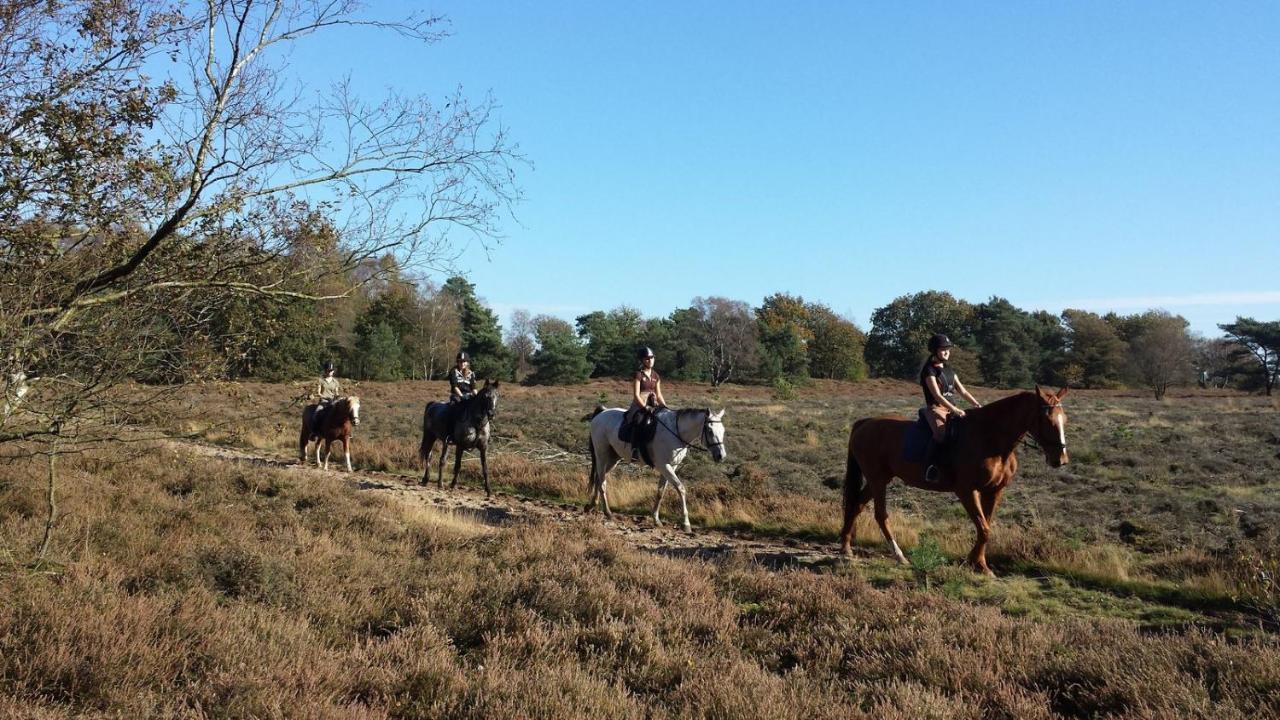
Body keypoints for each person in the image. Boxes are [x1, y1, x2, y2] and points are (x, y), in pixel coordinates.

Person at [920, 333, 981, 484]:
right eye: (943, 349)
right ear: (934, 351)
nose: (947, 352)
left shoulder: (949, 370)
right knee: (940, 435)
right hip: (936, 409)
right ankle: (930, 468)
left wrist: (976, 404)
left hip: (951, 409)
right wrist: (955, 409)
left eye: (948, 349)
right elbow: (938, 396)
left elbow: (963, 391)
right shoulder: (929, 370)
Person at [621, 346, 667, 462]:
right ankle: (635, 450)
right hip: (639, 405)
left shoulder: (656, 376)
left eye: (651, 358)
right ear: (642, 360)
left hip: (653, 404)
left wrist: (665, 407)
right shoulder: (638, 375)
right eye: (647, 358)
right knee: (639, 420)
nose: (650, 360)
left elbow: (659, 395)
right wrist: (645, 407)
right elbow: (636, 395)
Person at [312, 360, 343, 429]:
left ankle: (346, 432)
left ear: (333, 371)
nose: (329, 372)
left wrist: (338, 397)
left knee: (343, 412)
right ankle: (314, 431)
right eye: (328, 370)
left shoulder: (336, 382)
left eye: (331, 370)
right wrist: (325, 397)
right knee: (316, 414)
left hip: (332, 402)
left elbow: (336, 393)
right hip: (324, 401)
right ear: (325, 371)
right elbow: (318, 393)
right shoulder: (321, 381)